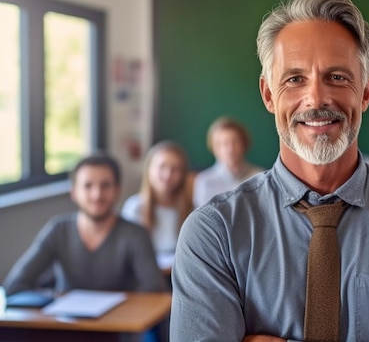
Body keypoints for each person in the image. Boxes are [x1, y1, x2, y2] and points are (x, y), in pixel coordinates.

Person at [170, 0, 369, 341]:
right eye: (294, 79)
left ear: (365, 93)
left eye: (337, 77)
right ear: (268, 95)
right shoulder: (214, 232)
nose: (317, 98)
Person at [3, 154, 166, 295]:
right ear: (74, 192)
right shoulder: (58, 230)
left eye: (105, 185)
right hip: (65, 326)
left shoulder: (135, 234)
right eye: (88, 186)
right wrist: (51, 299)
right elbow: (15, 283)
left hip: (121, 327)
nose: (97, 195)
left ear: (117, 190)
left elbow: (155, 290)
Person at [121, 140, 193, 257]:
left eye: (175, 169)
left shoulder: (192, 209)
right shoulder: (134, 207)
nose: (168, 174)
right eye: (162, 166)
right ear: (149, 169)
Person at [192, 116, 264, 207]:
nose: (230, 149)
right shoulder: (205, 182)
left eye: (235, 142)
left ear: (244, 144)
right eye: (224, 143)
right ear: (214, 147)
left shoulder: (260, 177)